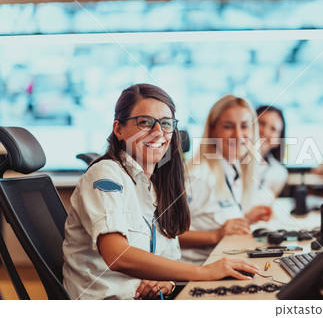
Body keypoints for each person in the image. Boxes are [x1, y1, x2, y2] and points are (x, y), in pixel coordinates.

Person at [62, 84, 259, 300]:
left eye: (166, 124)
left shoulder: (155, 186)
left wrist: (166, 281)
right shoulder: (105, 175)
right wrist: (203, 273)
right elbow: (117, 255)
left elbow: (167, 257)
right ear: (118, 129)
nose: (158, 132)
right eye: (145, 122)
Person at [179, 94, 272, 265]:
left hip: (226, 264)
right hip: (194, 275)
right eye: (228, 126)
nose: (238, 135)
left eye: (245, 126)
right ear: (213, 131)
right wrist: (215, 236)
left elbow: (212, 216)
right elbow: (167, 236)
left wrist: (246, 219)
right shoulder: (197, 176)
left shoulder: (234, 168)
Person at [255, 105, 288, 200]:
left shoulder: (279, 173)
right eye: (261, 123)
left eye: (273, 129)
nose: (265, 132)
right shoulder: (231, 162)